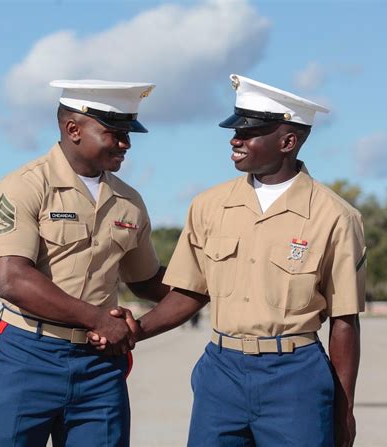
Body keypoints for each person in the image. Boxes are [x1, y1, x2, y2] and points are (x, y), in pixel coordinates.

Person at [94, 74, 366, 446]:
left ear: (288, 141)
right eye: (235, 129)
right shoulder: (209, 206)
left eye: (249, 132)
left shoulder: (335, 217)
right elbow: (190, 293)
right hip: (221, 373)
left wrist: (344, 408)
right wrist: (135, 330)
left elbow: (345, 321)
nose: (235, 139)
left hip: (294, 376)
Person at [0, 79, 169, 447]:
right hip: (27, 354)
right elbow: (12, 279)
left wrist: (210, 283)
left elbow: (146, 280)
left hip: (99, 365)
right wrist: (97, 319)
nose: (126, 143)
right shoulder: (24, 186)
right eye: (114, 132)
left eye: (129, 133)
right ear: (73, 129)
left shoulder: (129, 201)